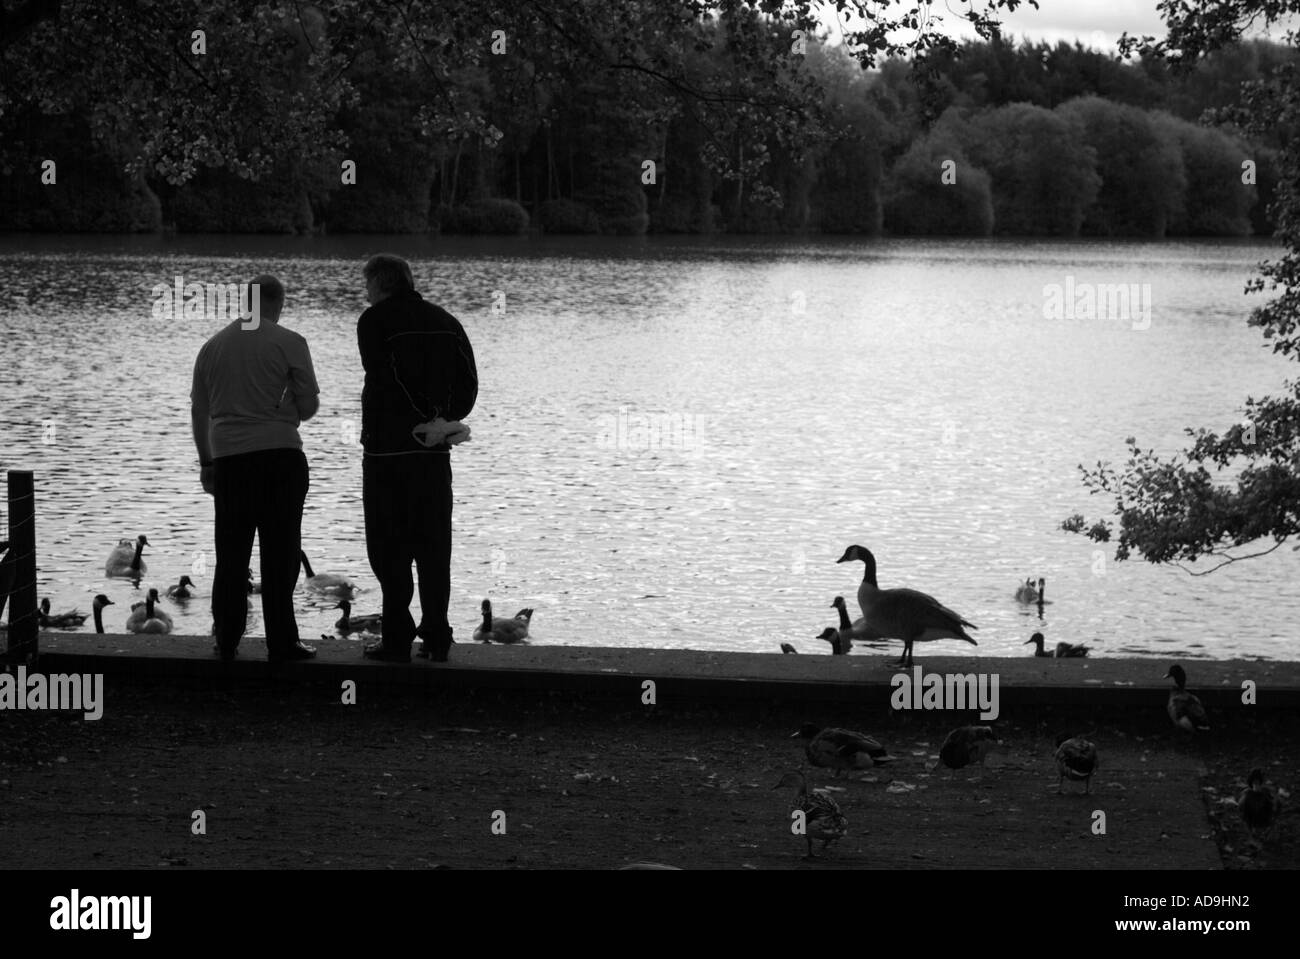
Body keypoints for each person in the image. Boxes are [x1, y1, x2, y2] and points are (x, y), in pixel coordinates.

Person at [191, 274, 320, 662]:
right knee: (281, 553)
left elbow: (200, 412)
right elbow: (310, 406)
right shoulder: (289, 342)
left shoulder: (211, 348)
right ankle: (282, 643)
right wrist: (285, 410)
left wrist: (206, 461)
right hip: (281, 457)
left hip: (230, 461)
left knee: (231, 554)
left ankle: (227, 638)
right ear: (277, 303)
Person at [357, 254, 477, 663]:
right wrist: (443, 419)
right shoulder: (447, 321)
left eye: (367, 285)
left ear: (379, 284)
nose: (366, 293)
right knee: (433, 545)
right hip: (433, 452)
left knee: (388, 548)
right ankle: (438, 635)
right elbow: (469, 385)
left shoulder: (374, 321)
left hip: (386, 451)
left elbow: (384, 377)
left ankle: (396, 638)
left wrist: (418, 417)